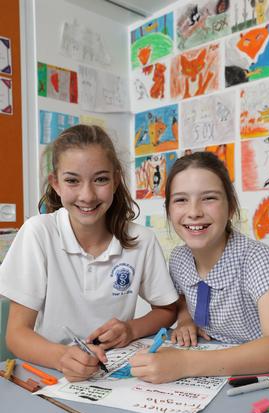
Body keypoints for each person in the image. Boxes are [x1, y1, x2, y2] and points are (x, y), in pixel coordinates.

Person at [0, 124, 178, 382]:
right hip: (49, 374)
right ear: (56, 184)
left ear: (116, 180)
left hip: (114, 376)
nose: (87, 195)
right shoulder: (38, 233)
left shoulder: (142, 240)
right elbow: (16, 335)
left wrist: (130, 329)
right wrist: (62, 357)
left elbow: (167, 310)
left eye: (101, 179)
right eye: (72, 180)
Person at [130, 152, 269, 383]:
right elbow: (183, 297)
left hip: (262, 375)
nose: (194, 212)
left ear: (231, 206)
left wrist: (184, 363)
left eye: (209, 198)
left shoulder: (256, 257)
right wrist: (185, 320)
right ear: (168, 210)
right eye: (181, 200)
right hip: (213, 371)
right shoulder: (179, 258)